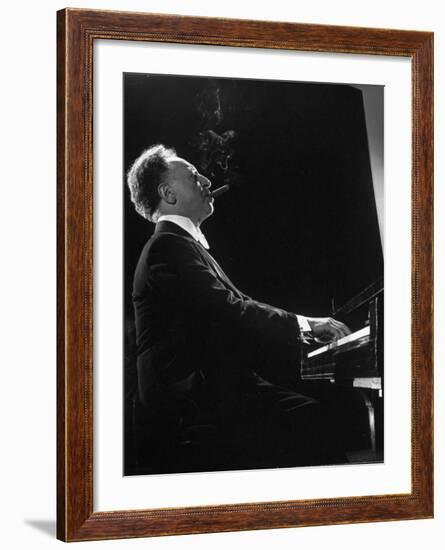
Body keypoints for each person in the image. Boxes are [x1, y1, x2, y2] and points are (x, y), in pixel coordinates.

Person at [126, 144, 351, 474]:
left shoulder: (179, 245)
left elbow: (230, 315)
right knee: (310, 419)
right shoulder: (166, 246)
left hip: (214, 394)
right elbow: (230, 311)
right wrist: (305, 325)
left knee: (309, 415)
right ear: (167, 193)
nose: (206, 179)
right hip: (194, 407)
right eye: (193, 176)